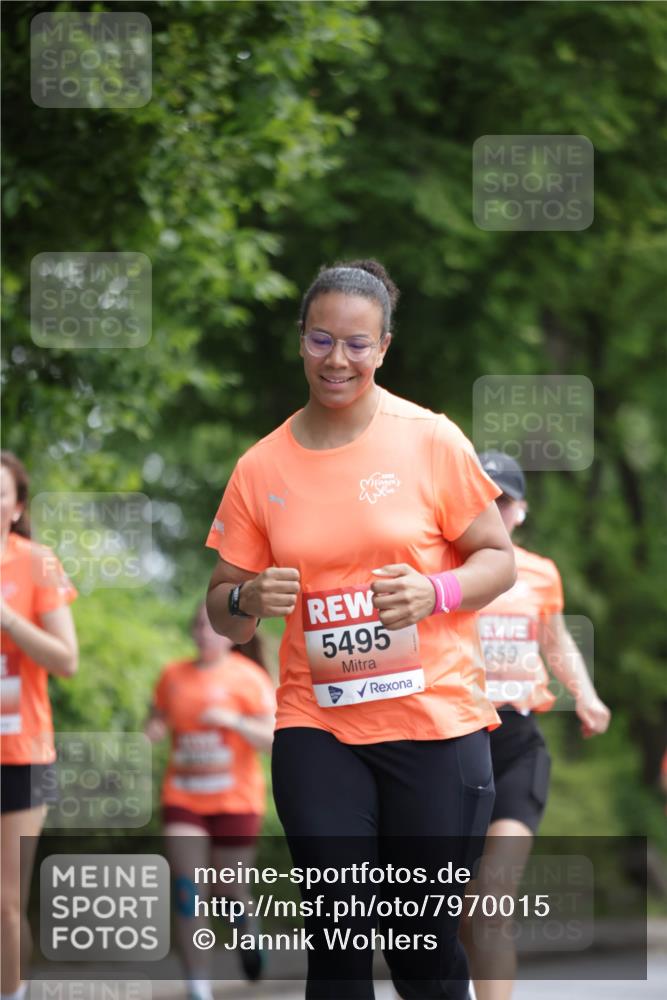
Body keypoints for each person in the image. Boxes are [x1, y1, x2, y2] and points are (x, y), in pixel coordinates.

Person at [204, 259, 517, 1000]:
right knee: (338, 936)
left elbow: (496, 563)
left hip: (433, 723)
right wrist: (248, 595)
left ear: (382, 347)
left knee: (421, 947)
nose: (335, 360)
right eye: (320, 340)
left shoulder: (430, 439)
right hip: (319, 724)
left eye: (355, 344)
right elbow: (220, 608)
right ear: (300, 340)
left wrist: (432, 589)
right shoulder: (260, 466)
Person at [459, 450, 611, 1000]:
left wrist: (586, 695)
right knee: (447, 918)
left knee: (490, 905)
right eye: (483, 499)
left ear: (521, 511)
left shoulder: (542, 572)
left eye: (503, 500)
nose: (493, 508)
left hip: (517, 745)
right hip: (451, 744)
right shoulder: (442, 567)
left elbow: (555, 638)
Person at [145, 602, 275, 1000]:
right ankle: (198, 986)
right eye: (198, 625)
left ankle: (247, 933)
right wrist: (150, 732)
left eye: (210, 625)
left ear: (228, 634)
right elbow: (155, 719)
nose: (203, 632)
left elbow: (274, 741)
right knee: (189, 888)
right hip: (184, 798)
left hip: (235, 800)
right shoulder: (173, 676)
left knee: (227, 888)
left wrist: (234, 721)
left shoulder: (249, 678)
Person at [0, 452, 78, 1000]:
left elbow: (67, 659)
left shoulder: (37, 563)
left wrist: (6, 618)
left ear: (16, 507)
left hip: (21, 754)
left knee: (4, 899)